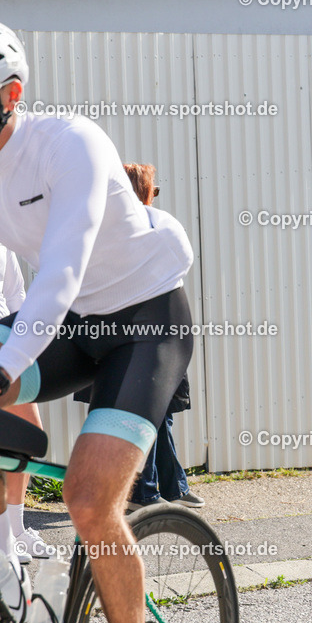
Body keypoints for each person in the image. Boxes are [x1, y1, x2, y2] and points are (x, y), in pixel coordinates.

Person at [0, 19, 194, 623]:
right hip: (75, 322)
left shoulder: (70, 142)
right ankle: (3, 578)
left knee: (88, 500)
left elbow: (62, 271)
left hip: (145, 320)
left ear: (10, 96)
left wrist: (2, 372)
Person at [71, 164, 204, 512]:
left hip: (154, 333)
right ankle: (141, 492)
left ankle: (172, 486)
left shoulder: (152, 227)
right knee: (142, 415)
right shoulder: (119, 233)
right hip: (130, 339)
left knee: (162, 414)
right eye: (152, 190)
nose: (154, 197)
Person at [0, 230, 58, 562]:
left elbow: (15, 295)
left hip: (9, 352)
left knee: (26, 439)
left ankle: (16, 530)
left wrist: (28, 343)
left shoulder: (1, 239)